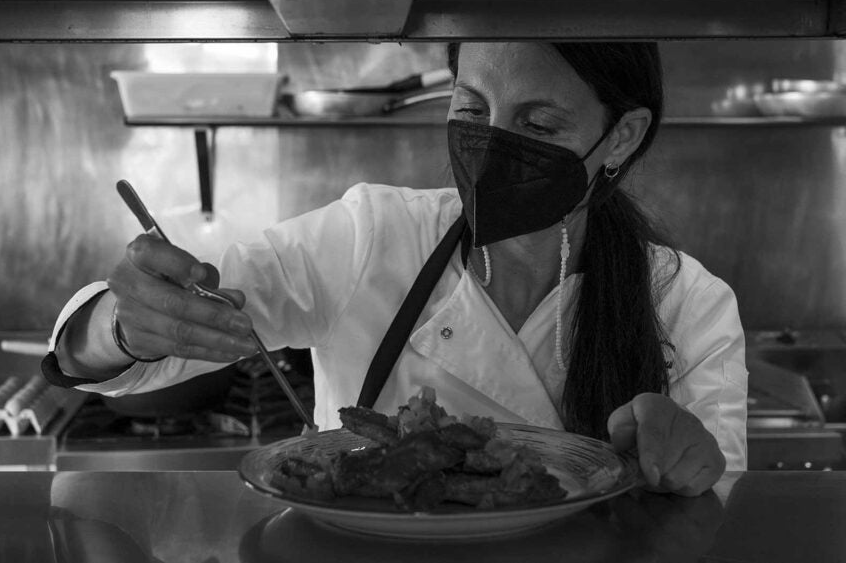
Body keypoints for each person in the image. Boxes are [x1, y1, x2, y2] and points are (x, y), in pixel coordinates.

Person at [45, 42, 747, 497]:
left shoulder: (688, 305)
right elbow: (122, 351)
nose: (494, 144)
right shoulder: (368, 237)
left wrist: (688, 463)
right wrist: (121, 324)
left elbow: (713, 508)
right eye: (472, 108)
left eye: (538, 126)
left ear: (620, 136)